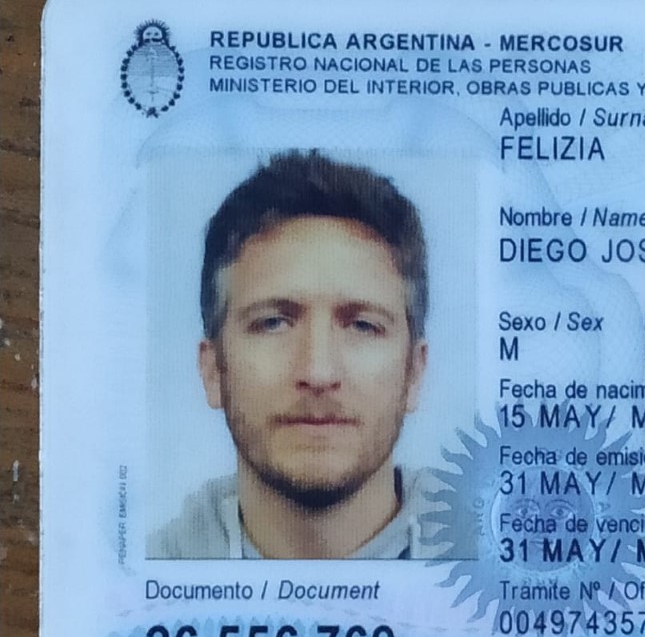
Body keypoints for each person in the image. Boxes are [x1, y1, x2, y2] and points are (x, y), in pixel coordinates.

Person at [148, 150, 465, 559]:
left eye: (362, 325)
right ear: (212, 370)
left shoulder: (499, 575)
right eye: (273, 323)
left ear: (414, 373)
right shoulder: (129, 578)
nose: (318, 372)